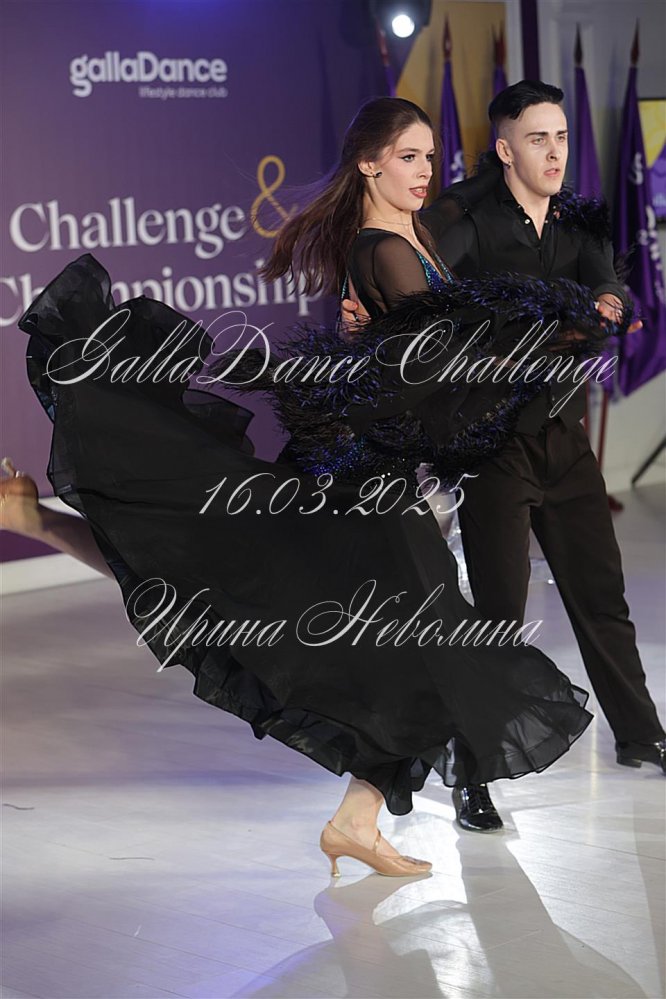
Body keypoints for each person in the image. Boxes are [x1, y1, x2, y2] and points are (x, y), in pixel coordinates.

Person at [3, 97, 611, 876]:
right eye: (409, 156)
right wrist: (549, 336)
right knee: (255, 590)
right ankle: (40, 521)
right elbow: (439, 362)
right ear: (369, 163)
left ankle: (357, 820)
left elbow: (421, 351)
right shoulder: (382, 249)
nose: (424, 171)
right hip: (362, 481)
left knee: (320, 612)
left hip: (378, 475)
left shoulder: (412, 239)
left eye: (429, 157)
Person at [344, 81, 666, 834]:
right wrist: (368, 315)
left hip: (565, 436)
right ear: (504, 149)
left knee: (602, 595)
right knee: (496, 618)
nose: (555, 152)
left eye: (561, 137)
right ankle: (474, 774)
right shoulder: (464, 225)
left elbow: (610, 287)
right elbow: (426, 294)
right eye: (538, 139)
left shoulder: (579, 218)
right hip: (494, 447)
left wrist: (603, 306)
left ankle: (641, 732)